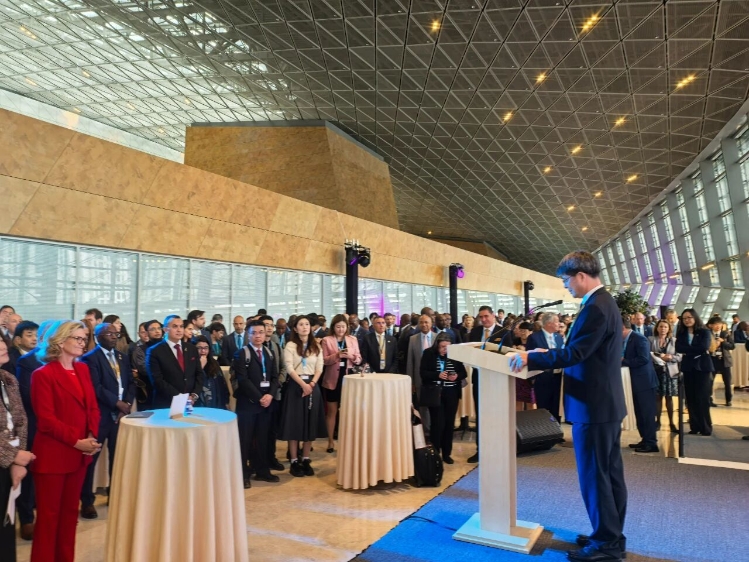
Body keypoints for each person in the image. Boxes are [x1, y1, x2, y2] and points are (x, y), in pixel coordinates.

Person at [510, 251, 627, 562]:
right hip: (601, 404)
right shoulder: (602, 302)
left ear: (581, 276)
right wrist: (542, 353)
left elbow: (575, 355)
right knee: (608, 474)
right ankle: (608, 534)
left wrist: (530, 357)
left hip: (594, 406)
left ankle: (607, 544)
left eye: (566, 280)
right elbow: (581, 350)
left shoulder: (596, 307)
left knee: (596, 476)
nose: (565, 286)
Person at [30, 320, 101, 562]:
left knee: (70, 516)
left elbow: (92, 407)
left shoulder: (83, 370)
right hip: (54, 455)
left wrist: (91, 435)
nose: (83, 343)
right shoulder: (43, 375)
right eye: (78, 338)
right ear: (61, 341)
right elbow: (46, 420)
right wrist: (77, 441)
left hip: (79, 455)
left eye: (85, 339)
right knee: (49, 518)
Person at [79, 323, 136, 519]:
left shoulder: (122, 357)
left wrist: (126, 404)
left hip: (121, 415)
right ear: (97, 336)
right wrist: (117, 403)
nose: (114, 336)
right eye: (109, 333)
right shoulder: (90, 358)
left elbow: (130, 383)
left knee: (117, 457)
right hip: (101, 415)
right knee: (91, 460)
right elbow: (96, 387)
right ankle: (87, 501)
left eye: (116, 333)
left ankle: (115, 495)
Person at [233, 320, 280, 488]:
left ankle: (262, 470)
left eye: (261, 332)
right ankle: (243, 473)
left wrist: (270, 395)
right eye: (254, 332)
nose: (258, 336)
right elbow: (242, 379)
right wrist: (260, 397)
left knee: (263, 438)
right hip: (248, 404)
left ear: (266, 333)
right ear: (248, 334)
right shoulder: (241, 354)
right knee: (244, 440)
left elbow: (274, 377)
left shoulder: (269, 352)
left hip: (266, 404)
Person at [0, 339, 34, 562]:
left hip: (9, 462)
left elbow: (21, 420)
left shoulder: (8, 378)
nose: (3, 345)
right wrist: (13, 456)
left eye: (2, 341)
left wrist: (18, 460)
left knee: (6, 527)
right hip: (6, 456)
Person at [280, 316, 326, 477]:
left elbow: (320, 367)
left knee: (310, 422)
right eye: (301, 324)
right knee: (294, 424)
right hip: (296, 386)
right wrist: (303, 385)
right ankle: (294, 460)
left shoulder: (316, 346)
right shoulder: (290, 345)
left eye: (307, 324)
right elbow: (289, 367)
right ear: (295, 328)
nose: (305, 327)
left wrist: (311, 384)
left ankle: (306, 458)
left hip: (312, 386)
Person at [467, 305, 507, 464]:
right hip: (479, 378)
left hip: (497, 380)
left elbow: (508, 354)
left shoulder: (504, 332)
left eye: (486, 316)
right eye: (481, 317)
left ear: (493, 316)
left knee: (496, 415)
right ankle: (481, 450)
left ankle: (497, 448)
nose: (483, 320)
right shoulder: (475, 332)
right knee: (481, 414)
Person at [419, 333, 466, 465]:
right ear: (437, 345)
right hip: (435, 393)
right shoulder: (428, 353)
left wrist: (456, 376)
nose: (445, 350)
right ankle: (436, 453)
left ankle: (447, 454)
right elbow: (423, 373)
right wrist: (437, 375)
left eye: (447, 347)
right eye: (442, 347)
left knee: (449, 424)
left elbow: (463, 372)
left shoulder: (455, 355)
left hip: (451, 393)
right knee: (438, 424)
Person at [321, 315, 361, 453]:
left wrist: (351, 356)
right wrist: (337, 355)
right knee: (332, 412)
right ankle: (330, 441)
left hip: (349, 379)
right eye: (338, 327)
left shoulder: (352, 339)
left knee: (348, 412)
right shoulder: (326, 340)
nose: (341, 329)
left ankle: (347, 441)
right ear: (333, 327)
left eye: (343, 327)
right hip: (332, 380)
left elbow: (359, 359)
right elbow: (324, 360)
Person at [146, 315, 203, 409]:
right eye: (175, 326)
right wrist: (181, 397)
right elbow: (157, 380)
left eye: (181, 326)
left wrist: (194, 395)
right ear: (165, 329)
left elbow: (199, 374)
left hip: (192, 402)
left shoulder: (191, 348)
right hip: (166, 403)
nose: (179, 330)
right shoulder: (154, 351)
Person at [621, 315, 659, 453]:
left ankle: (651, 443)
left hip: (645, 382)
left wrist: (623, 361)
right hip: (633, 381)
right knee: (640, 413)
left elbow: (643, 359)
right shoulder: (625, 340)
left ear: (622, 328)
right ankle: (645, 439)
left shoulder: (639, 338)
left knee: (647, 413)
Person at [676, 309, 714, 436]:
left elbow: (704, 347)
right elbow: (679, 348)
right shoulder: (682, 333)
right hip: (688, 367)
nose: (687, 320)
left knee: (702, 397)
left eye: (689, 317)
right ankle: (695, 426)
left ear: (695, 317)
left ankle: (705, 427)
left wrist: (688, 350)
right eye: (684, 318)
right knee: (690, 398)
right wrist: (694, 350)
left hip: (702, 367)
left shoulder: (704, 332)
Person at [526, 312, 564, 422]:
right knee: (543, 407)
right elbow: (530, 357)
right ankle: (544, 429)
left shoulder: (559, 337)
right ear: (548, 323)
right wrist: (532, 378)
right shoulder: (534, 337)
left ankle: (556, 429)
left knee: (556, 407)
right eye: (556, 321)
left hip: (557, 378)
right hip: (542, 378)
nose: (559, 324)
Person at [259, 315, 286, 471]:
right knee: (258, 431)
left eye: (271, 325)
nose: (269, 328)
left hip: (274, 393)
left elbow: (283, 368)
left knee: (272, 429)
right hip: (258, 395)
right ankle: (258, 460)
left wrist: (276, 386)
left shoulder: (276, 346)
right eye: (266, 325)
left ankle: (271, 457)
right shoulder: (252, 347)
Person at [648, 320, 681, 433]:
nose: (663, 329)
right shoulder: (651, 340)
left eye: (665, 327)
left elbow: (680, 356)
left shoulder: (674, 341)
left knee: (669, 398)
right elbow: (647, 354)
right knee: (657, 397)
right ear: (657, 328)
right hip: (656, 371)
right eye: (661, 326)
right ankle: (658, 422)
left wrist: (671, 357)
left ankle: (672, 423)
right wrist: (657, 357)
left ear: (669, 329)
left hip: (669, 372)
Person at [194, 336, 230, 409]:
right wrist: (200, 367)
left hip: (215, 401)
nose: (203, 351)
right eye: (199, 348)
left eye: (206, 348)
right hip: (198, 403)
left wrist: (226, 401)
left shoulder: (214, 363)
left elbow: (222, 383)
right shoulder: (190, 364)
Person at [706, 317, 735, 407]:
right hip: (712, 360)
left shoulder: (726, 334)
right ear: (711, 325)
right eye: (715, 324)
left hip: (724, 360)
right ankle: (709, 399)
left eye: (719, 324)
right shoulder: (708, 334)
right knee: (710, 381)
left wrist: (723, 342)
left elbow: (732, 346)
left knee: (727, 381)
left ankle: (728, 400)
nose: (718, 326)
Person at [513, 322, 536, 411]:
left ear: (530, 332)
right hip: (518, 375)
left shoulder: (534, 343)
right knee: (518, 401)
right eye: (521, 330)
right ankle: (518, 419)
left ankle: (531, 419)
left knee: (531, 402)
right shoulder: (515, 342)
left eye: (524, 331)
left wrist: (525, 351)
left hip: (529, 376)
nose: (522, 333)